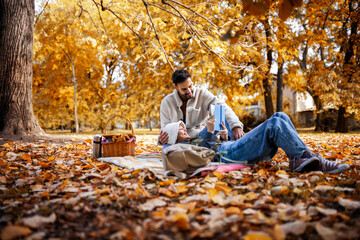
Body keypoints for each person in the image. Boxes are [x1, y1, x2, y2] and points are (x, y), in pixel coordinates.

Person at [161, 112, 350, 174]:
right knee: (275, 123)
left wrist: (223, 135)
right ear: (172, 136)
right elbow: (205, 156)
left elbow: (212, 145)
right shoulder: (180, 148)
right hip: (231, 154)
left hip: (231, 146)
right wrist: (210, 132)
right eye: (180, 129)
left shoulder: (193, 138)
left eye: (183, 126)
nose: (184, 129)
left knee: (280, 115)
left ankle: (299, 157)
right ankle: (303, 157)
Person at [158, 69, 244, 145]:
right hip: (179, 141)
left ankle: (235, 144)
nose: (189, 91)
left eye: (190, 86)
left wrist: (236, 126)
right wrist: (163, 139)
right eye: (184, 89)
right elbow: (165, 128)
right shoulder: (167, 102)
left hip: (202, 135)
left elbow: (222, 105)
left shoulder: (202, 94)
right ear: (176, 87)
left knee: (221, 113)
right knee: (168, 148)